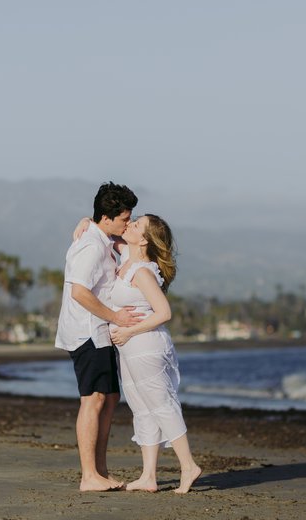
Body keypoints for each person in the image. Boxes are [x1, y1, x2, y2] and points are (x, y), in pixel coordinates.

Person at [75, 213, 202, 493]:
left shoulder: (142, 271)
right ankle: (148, 476)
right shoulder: (126, 257)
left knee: (161, 405)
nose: (128, 225)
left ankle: (189, 466)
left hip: (146, 346)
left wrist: (130, 331)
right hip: (129, 350)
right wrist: (86, 220)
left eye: (136, 224)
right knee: (142, 409)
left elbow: (164, 312)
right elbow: (106, 231)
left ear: (144, 239)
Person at [55, 182, 142, 492]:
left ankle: (100, 472)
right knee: (93, 399)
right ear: (107, 218)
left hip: (99, 333)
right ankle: (88, 475)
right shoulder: (92, 245)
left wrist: (86, 220)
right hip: (86, 332)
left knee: (110, 398)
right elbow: (79, 291)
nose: (128, 224)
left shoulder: (100, 237)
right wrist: (116, 316)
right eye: (124, 218)